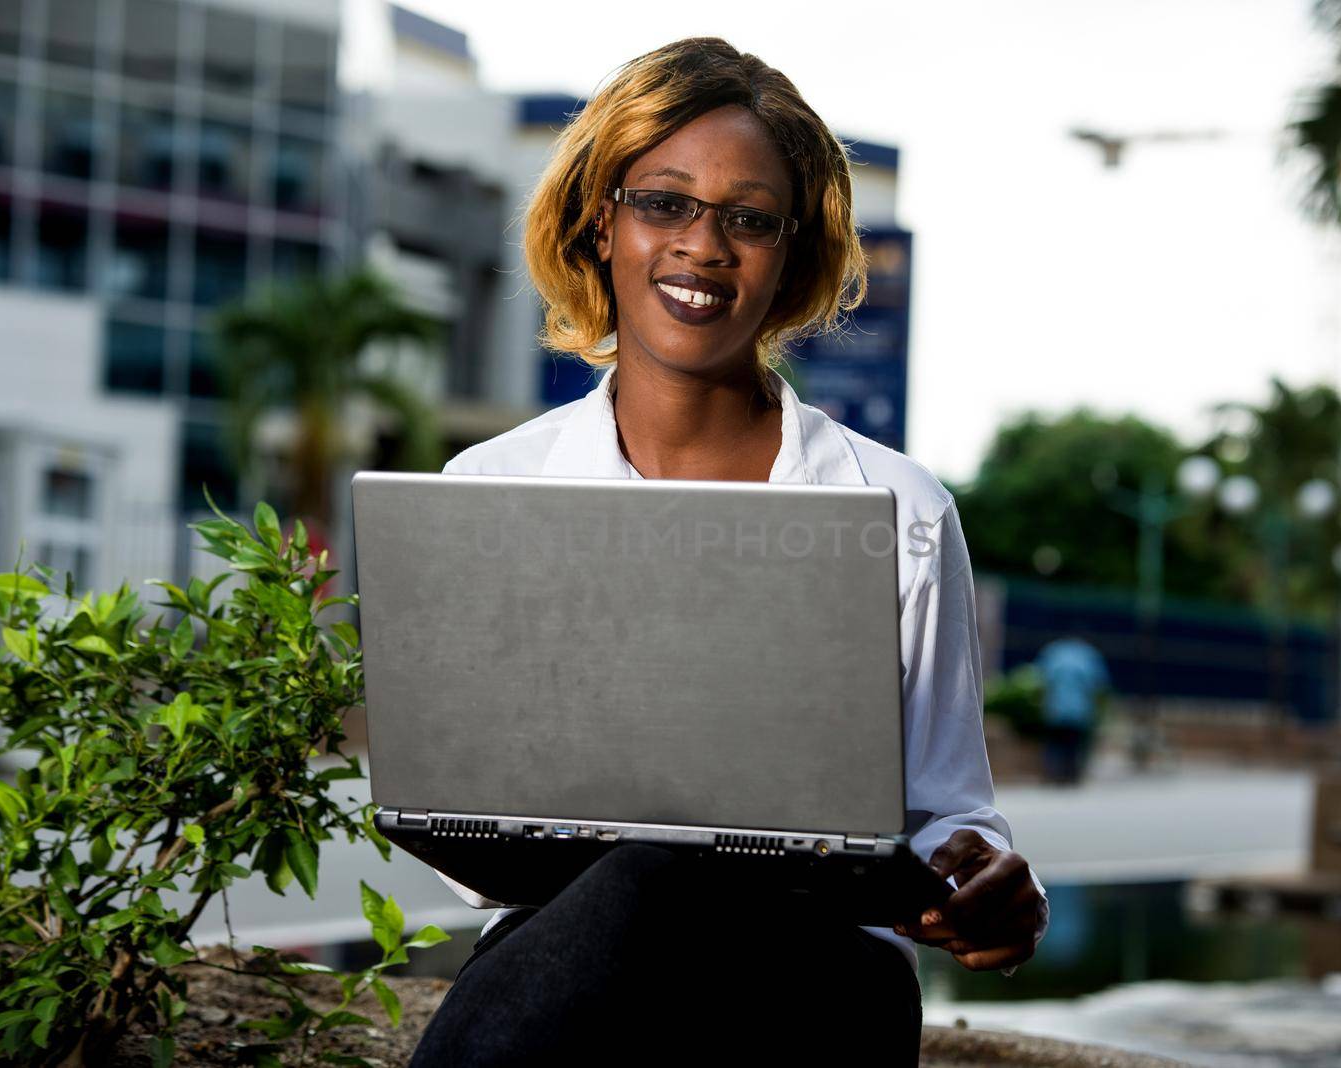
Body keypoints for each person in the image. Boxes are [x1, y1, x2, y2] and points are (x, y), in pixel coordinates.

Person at [407, 38, 1048, 1066]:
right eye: (664, 202)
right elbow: (475, 864)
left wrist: (982, 875)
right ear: (599, 219)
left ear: (789, 255)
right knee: (650, 876)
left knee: (672, 872)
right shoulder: (492, 492)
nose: (704, 246)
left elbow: (947, 813)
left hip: (817, 981)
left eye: (748, 219)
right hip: (574, 970)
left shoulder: (898, 509)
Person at [1035, 636, 1110, 785]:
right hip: (1079, 710)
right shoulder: (1088, 655)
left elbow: (1040, 678)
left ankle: (1053, 774)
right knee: (1074, 746)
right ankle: (1071, 775)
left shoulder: (1054, 652)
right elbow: (1099, 683)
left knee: (1055, 744)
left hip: (1055, 709)